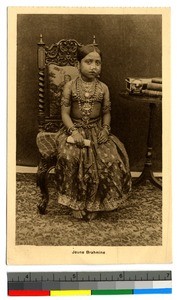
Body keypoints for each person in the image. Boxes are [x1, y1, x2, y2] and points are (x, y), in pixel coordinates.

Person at [54, 43, 132, 220]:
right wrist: (73, 132)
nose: (93, 67)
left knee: (110, 159)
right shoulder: (70, 86)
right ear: (78, 65)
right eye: (88, 62)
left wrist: (105, 129)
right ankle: (75, 203)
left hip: (97, 130)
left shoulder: (103, 88)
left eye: (97, 63)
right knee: (70, 157)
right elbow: (65, 114)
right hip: (73, 131)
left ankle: (97, 202)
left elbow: (106, 113)